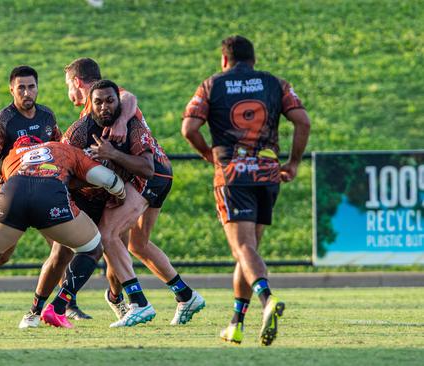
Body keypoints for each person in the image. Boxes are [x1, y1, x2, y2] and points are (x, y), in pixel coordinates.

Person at [181, 35, 311, 346]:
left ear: (224, 60)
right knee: (248, 252)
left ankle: (267, 300)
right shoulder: (275, 83)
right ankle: (236, 323)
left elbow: (189, 129)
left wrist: (208, 154)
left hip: (233, 173)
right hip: (268, 174)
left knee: (243, 250)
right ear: (253, 60)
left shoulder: (212, 84)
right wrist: (292, 163)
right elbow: (302, 122)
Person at [65, 58, 205, 325]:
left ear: (75, 82)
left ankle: (137, 302)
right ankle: (185, 295)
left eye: (67, 87)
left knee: (107, 234)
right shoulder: (94, 112)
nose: (106, 106)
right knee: (135, 244)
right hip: (158, 172)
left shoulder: (112, 101)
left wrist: (119, 127)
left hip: (148, 173)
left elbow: (128, 96)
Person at [0, 135, 127, 329]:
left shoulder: (11, 157)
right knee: (92, 248)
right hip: (50, 194)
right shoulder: (62, 148)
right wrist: (120, 194)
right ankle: (59, 306)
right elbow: (107, 179)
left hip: (13, 192)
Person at [0, 65, 91, 326]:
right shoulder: (3, 120)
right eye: (21, 88)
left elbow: (59, 148)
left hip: (47, 192)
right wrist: (18, 170)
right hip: (13, 194)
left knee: (62, 249)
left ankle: (65, 305)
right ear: (11, 90)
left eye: (31, 87)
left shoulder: (47, 116)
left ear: (37, 87)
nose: (27, 92)